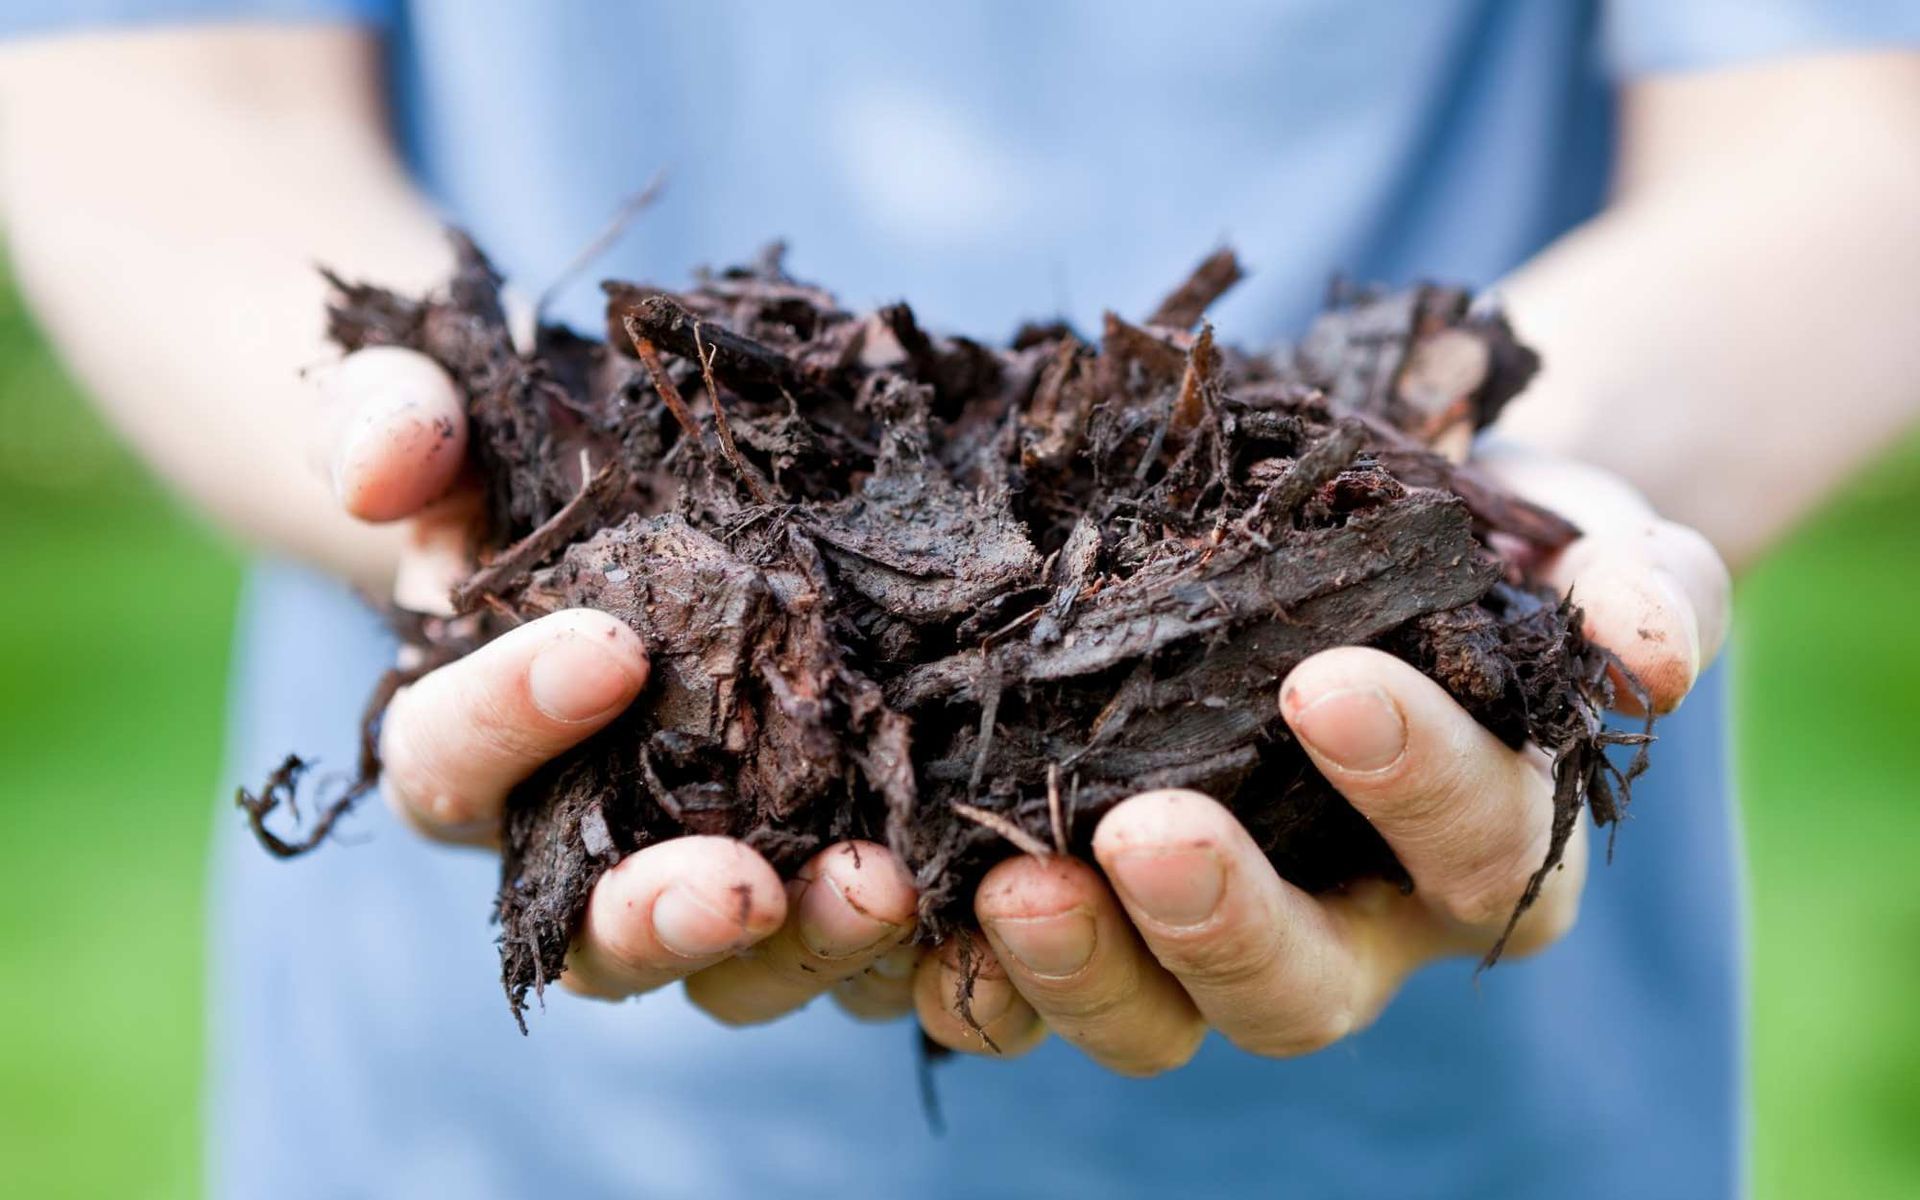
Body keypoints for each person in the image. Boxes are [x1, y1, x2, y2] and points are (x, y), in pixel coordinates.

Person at [2, 3, 1915, 1196]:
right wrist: (453, 473)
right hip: (487, 1142)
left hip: (1462, 1129)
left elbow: (1848, 126)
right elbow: (159, 94)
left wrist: (1502, 509)